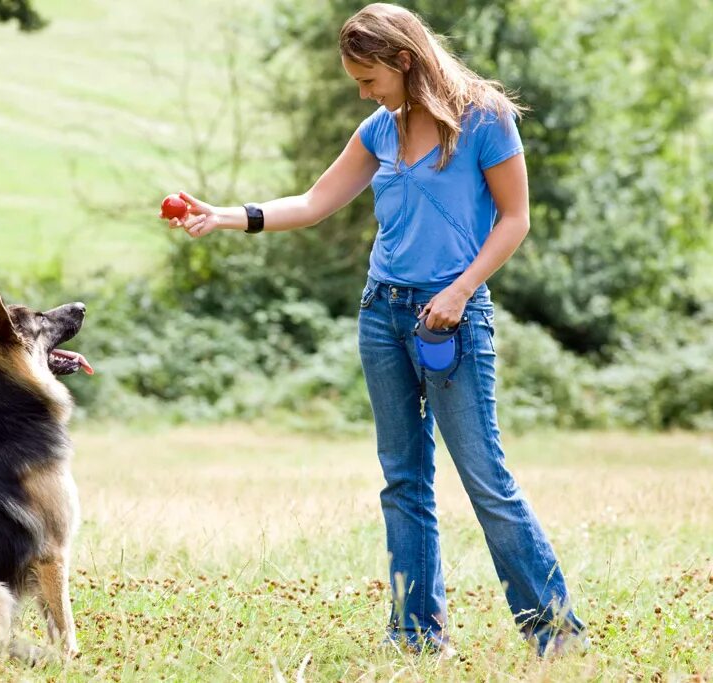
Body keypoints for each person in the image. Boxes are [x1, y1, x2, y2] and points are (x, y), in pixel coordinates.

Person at [162, 2, 587, 658]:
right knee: (403, 477)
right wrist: (226, 216)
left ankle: (555, 634)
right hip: (382, 314)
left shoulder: (484, 119)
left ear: (404, 61)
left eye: (368, 79)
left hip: (453, 317)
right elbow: (312, 202)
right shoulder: (381, 129)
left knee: (484, 476)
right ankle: (417, 634)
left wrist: (460, 289)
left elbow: (515, 218)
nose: (363, 92)